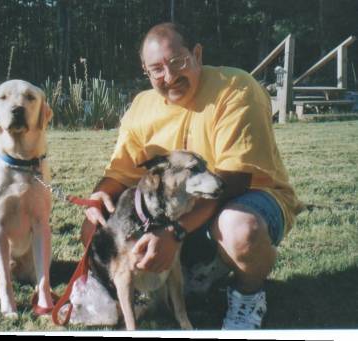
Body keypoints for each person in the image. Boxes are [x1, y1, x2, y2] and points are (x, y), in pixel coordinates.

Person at [80, 22, 302, 330]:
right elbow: (119, 172)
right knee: (96, 225)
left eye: (177, 62)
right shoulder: (142, 106)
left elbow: (233, 182)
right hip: (180, 208)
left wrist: (174, 234)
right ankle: (138, 288)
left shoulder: (235, 88)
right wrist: (98, 195)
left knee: (239, 227)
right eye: (156, 69)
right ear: (146, 71)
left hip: (250, 198)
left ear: (196, 55)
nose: (169, 77)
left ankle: (247, 298)